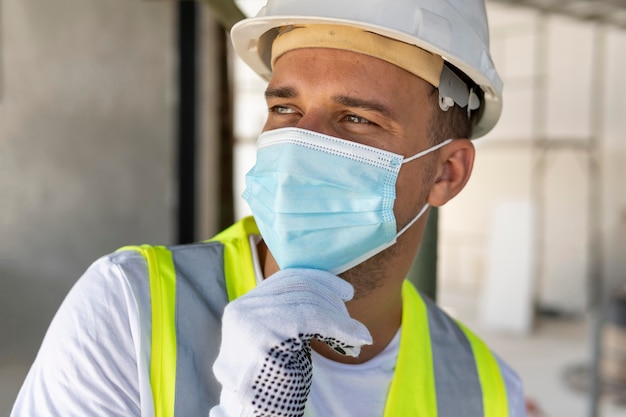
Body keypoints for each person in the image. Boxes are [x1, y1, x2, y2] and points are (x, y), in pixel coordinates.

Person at [11, 0, 527, 416]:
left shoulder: (484, 392)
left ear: (447, 173)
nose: (300, 144)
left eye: (355, 119)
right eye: (285, 109)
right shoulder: (128, 309)